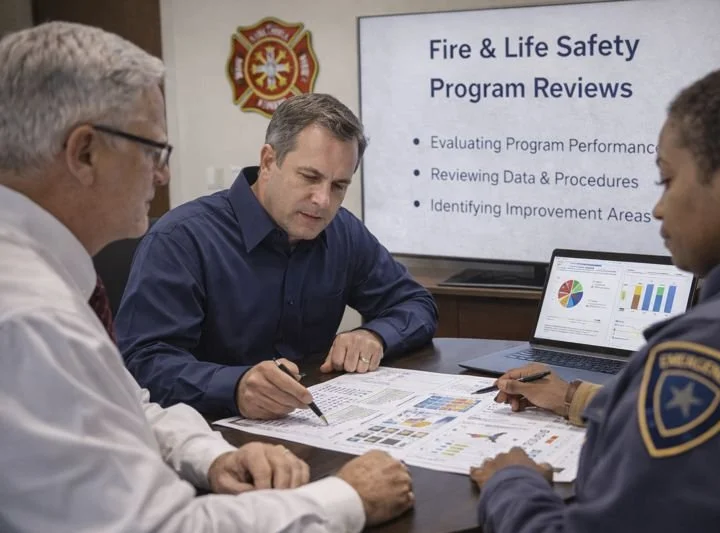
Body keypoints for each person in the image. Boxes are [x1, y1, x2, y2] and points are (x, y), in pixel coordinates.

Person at [0, 21, 413, 532]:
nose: (163, 174)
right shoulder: (27, 317)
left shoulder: (47, 275)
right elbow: (155, 525)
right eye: (153, 149)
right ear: (84, 152)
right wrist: (347, 498)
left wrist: (207, 455)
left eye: (338, 185)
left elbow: (127, 405)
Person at [469, 58, 720, 533]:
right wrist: (574, 397)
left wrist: (512, 484)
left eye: (667, 179)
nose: (658, 207)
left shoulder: (719, 347)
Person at [115, 92, 438, 419]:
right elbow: (142, 363)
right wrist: (236, 385)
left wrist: (374, 335)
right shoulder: (181, 239)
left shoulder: (342, 231)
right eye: (310, 177)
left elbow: (416, 304)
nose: (323, 200)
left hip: (312, 424)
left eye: (339, 185)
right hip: (207, 435)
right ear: (269, 161)